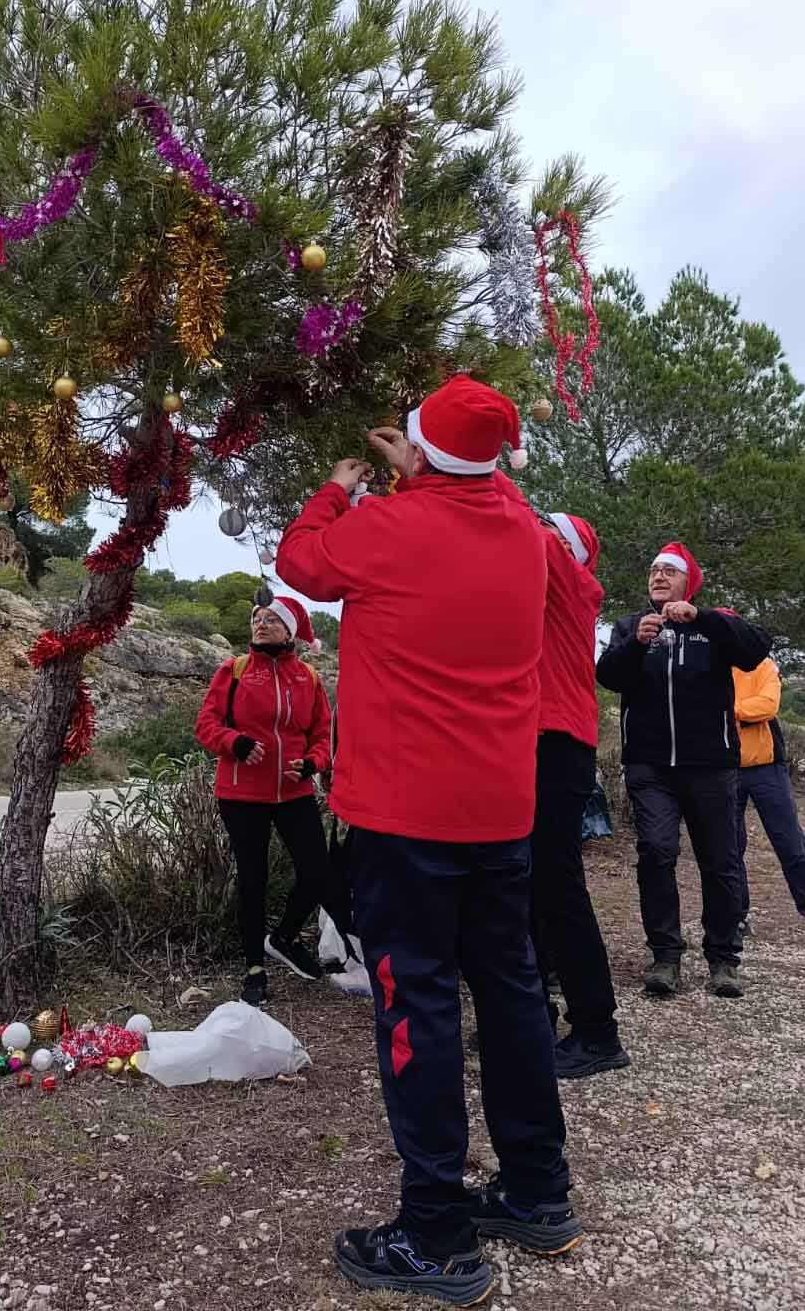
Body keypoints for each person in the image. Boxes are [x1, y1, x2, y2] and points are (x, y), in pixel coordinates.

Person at [278, 376, 582, 1306]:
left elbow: (301, 563)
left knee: (419, 1008)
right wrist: (430, 463)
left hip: (406, 814)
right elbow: (486, 484)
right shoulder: (524, 534)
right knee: (513, 993)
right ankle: (537, 1192)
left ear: (418, 453)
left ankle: (437, 1236)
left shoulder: (386, 526)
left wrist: (339, 487)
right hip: (501, 811)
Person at [596, 542, 770, 1000]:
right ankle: (665, 956)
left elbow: (756, 649)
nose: (658, 576)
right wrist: (636, 644)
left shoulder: (713, 624)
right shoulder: (631, 626)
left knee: (720, 860)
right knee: (656, 852)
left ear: (687, 582)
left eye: (669, 571)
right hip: (650, 766)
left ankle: (723, 958)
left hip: (710, 766)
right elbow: (608, 676)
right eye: (654, 569)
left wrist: (703, 618)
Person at [195, 594, 337, 1007]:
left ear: (289, 630)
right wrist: (234, 742)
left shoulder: (308, 678)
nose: (261, 624)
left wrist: (312, 763)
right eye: (258, 618)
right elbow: (206, 724)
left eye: (273, 619)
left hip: (294, 792)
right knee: (252, 879)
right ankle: (254, 969)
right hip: (242, 794)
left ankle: (284, 938)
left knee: (318, 872)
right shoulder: (234, 670)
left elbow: (322, 734)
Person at [531, 511, 629, 1081]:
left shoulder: (572, 580)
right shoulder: (544, 588)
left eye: (548, 525)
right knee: (523, 885)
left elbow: (502, 515)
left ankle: (597, 1030)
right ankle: (532, 1015)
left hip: (557, 743)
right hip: (536, 741)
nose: (536, 525)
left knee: (557, 887)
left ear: (568, 548)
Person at [733, 657, 805, 945]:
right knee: (728, 847)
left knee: (790, 842)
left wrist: (728, 710)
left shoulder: (763, 665)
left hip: (766, 766)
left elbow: (767, 706)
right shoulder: (709, 662)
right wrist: (740, 711)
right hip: (723, 768)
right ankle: (736, 916)